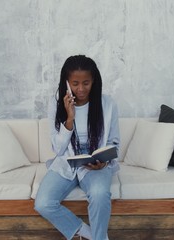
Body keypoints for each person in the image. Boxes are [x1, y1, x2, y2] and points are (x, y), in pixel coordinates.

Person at [34, 55, 120, 240]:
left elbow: (113, 142)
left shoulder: (107, 104)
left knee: (99, 194)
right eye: (75, 83)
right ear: (66, 83)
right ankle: (94, 236)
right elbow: (58, 149)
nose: (81, 89)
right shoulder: (55, 104)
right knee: (43, 203)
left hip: (96, 165)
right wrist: (69, 118)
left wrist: (104, 162)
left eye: (86, 83)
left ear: (94, 81)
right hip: (67, 162)